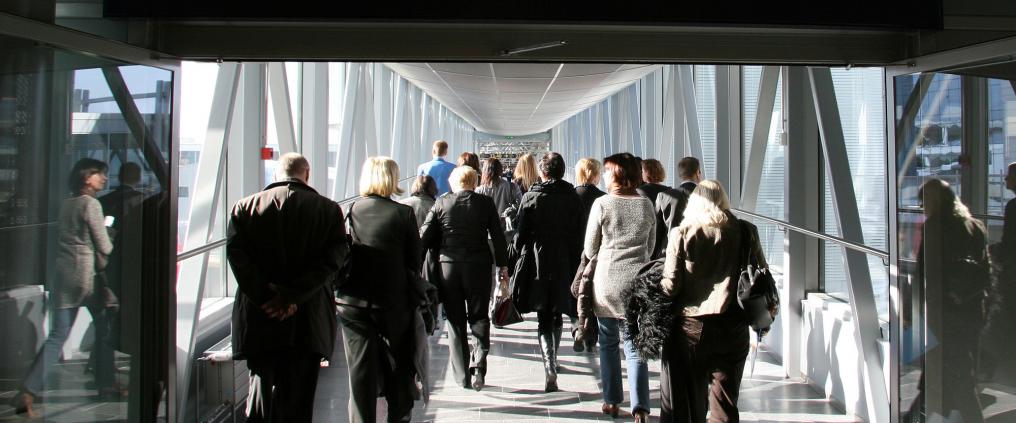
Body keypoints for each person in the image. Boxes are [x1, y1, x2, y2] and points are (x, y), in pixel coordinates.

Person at [226, 153, 347, 423]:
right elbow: (332, 262)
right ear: (307, 174)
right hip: (308, 319)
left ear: (276, 174)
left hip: (261, 316)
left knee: (260, 393)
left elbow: (237, 258)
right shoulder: (328, 210)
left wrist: (268, 297)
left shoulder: (244, 207)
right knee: (299, 398)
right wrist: (292, 296)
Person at [10, 158, 115, 418]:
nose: (103, 178)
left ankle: (28, 390)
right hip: (85, 278)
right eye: (99, 174)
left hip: (64, 274)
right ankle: (107, 384)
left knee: (58, 334)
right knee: (105, 330)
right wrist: (110, 233)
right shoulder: (91, 204)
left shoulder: (67, 204)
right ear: (86, 178)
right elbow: (104, 246)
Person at [658, 180, 763, 422]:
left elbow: (671, 286)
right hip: (733, 326)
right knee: (725, 403)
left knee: (689, 402)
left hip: (691, 328)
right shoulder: (746, 231)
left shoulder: (682, 234)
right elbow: (760, 273)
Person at [338, 156, 423, 423]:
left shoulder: (351, 210)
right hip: (393, 299)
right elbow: (414, 260)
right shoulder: (403, 213)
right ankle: (398, 414)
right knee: (399, 362)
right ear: (392, 178)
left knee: (359, 370)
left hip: (353, 300)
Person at [420, 166, 509, 391]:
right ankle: (478, 364)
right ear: (474, 182)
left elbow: (424, 236)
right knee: (479, 316)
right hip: (478, 265)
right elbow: (498, 236)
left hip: (448, 267)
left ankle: (462, 376)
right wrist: (503, 266)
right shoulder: (485, 203)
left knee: (455, 320)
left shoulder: (441, 203)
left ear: (453, 183)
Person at [584, 152, 656, 422]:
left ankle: (612, 401)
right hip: (637, 282)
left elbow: (590, 248)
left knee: (608, 343)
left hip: (607, 281)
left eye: (607, 171)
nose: (604, 175)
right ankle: (641, 407)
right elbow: (650, 247)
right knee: (635, 345)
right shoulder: (646, 205)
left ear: (617, 175)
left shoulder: (602, 204)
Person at [908, 178, 987, 422]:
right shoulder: (975, 227)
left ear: (933, 200)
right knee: (956, 366)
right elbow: (985, 271)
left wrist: (911, 309)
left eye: (924, 201)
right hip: (971, 310)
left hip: (944, 312)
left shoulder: (935, 227)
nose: (922, 207)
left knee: (950, 370)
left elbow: (924, 272)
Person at [512, 152, 585, 392]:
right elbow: (580, 232)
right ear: (562, 171)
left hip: (538, 260)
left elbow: (520, 234)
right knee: (558, 310)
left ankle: (550, 366)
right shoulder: (573, 198)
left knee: (544, 315)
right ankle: (557, 357)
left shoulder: (531, 197)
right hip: (565, 259)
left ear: (542, 172)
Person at [572, 157, 606, 353]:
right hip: (595, 252)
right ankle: (591, 336)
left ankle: (577, 326)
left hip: (574, 250)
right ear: (596, 174)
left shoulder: (571, 195)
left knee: (576, 289)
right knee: (591, 291)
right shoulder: (603, 198)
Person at [476, 158, 521, 243]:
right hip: (507, 232)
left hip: (486, 233)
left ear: (485, 170)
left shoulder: (479, 190)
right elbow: (520, 206)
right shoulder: (513, 187)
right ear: (500, 170)